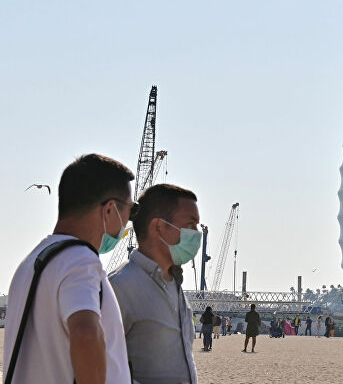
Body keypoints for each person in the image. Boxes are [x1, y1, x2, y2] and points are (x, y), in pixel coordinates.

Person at [2, 154, 135, 384]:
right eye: (130, 211)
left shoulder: (32, 262)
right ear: (109, 209)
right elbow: (85, 333)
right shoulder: (80, 259)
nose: (127, 223)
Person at [109, 183, 202, 384]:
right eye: (190, 225)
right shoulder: (119, 287)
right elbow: (99, 369)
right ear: (158, 227)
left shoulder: (174, 284)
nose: (197, 234)